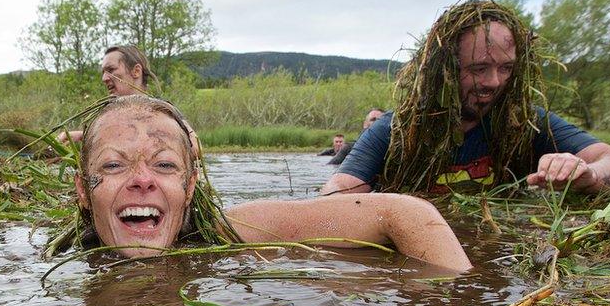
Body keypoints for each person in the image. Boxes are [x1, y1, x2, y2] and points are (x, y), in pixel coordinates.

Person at [70, 94, 472, 271]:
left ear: (190, 188)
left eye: (164, 165)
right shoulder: (60, 263)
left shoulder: (231, 233)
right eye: (113, 166)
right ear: (84, 192)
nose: (142, 181)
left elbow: (403, 213)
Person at [322, 0, 610, 195]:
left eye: (506, 68)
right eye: (479, 68)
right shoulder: (396, 130)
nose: (494, 82)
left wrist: (588, 173)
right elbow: (335, 194)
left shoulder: (528, 124)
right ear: (445, 70)